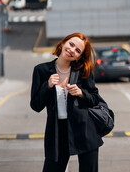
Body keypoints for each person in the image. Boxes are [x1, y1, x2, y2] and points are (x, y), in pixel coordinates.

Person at [30, 32, 107, 172]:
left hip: (85, 130)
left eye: (78, 50)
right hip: (57, 132)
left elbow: (95, 99)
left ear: (79, 56)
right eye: (71, 44)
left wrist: (81, 93)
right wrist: (47, 86)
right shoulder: (41, 70)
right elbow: (35, 105)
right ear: (63, 43)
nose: (72, 50)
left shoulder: (83, 71)